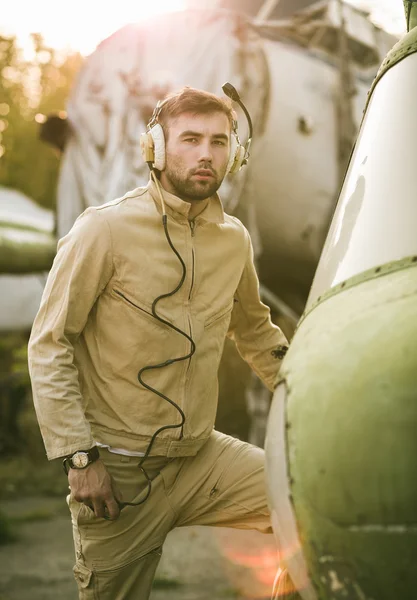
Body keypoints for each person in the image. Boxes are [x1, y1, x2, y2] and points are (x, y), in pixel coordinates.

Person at [28, 87, 292, 599]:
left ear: (234, 154)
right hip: (117, 471)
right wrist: (79, 459)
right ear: (155, 147)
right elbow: (51, 343)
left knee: (310, 503)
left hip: (201, 456)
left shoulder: (233, 240)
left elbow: (256, 331)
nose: (205, 153)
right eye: (189, 139)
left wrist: (310, 398)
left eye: (219, 141)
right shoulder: (101, 231)